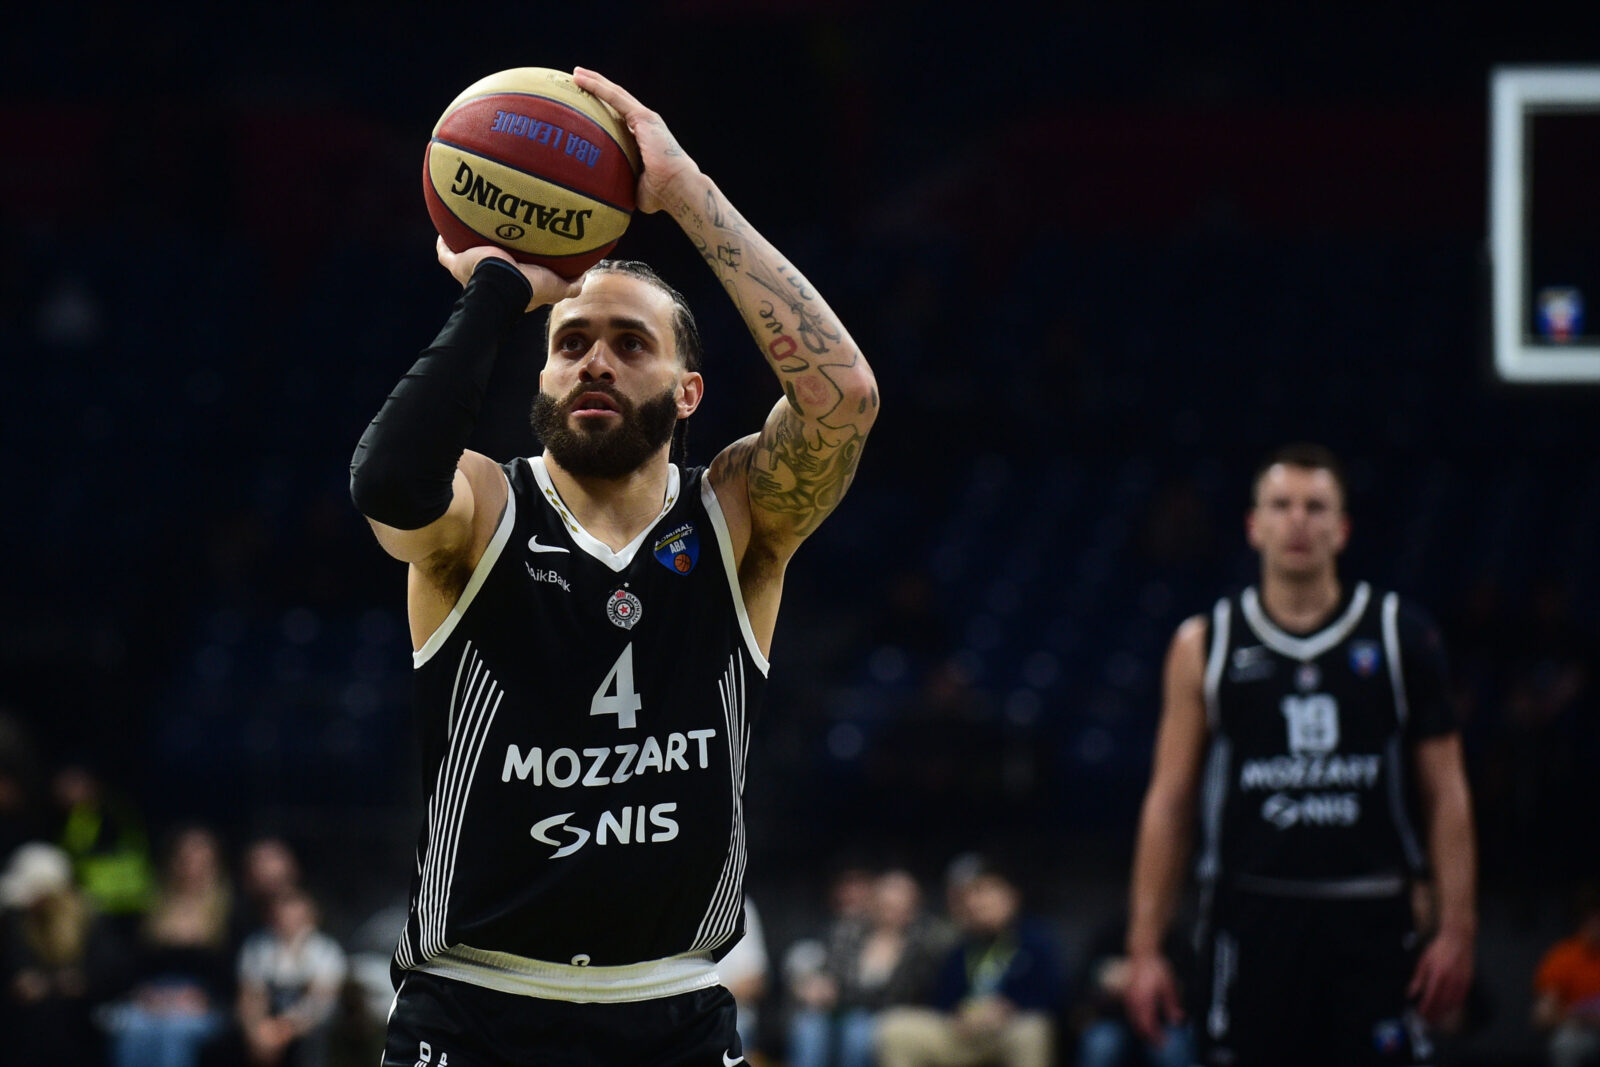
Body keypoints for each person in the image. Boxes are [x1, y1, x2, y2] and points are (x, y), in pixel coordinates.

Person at [348, 66, 879, 1066]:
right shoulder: (481, 508)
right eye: (571, 342)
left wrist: (684, 193)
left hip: (672, 1006)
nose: (593, 359)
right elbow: (388, 486)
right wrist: (497, 288)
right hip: (474, 1006)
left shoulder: (737, 515)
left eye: (629, 343)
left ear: (687, 392)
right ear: (539, 373)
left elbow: (842, 399)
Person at [1123, 443, 1477, 1067]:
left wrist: (1457, 927)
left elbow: (1447, 793)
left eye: (1316, 507)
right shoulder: (1206, 642)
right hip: (1251, 915)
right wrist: (1145, 947)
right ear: (1253, 526)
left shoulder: (1402, 635)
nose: (1298, 521)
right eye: (1281, 505)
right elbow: (1170, 801)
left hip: (1372, 916)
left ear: (1341, 530)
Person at [875, 863, 1060, 1067]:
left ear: (1012, 897)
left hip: (1008, 1030)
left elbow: (1055, 997)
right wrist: (959, 1013)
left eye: (990, 893)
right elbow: (939, 1000)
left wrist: (1008, 1007)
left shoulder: (1036, 941)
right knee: (895, 1026)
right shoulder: (962, 947)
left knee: (1032, 1029)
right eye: (976, 895)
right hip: (963, 1032)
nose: (981, 902)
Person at [788, 868, 944, 1067]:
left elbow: (903, 996)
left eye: (898, 907)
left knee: (857, 1029)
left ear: (912, 909)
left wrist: (842, 993)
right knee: (808, 1026)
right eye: (885, 905)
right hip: (836, 1011)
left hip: (884, 1017)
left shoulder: (923, 945)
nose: (890, 913)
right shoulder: (848, 932)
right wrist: (816, 985)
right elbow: (829, 973)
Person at [234, 888, 348, 1067]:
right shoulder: (257, 948)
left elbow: (320, 1003)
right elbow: (250, 997)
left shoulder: (326, 951)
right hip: (266, 1030)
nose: (286, 921)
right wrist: (256, 1032)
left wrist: (283, 1030)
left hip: (309, 1032)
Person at [1533, 890, 1600, 1067]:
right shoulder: (1564, 957)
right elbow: (1543, 1016)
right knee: (1566, 1043)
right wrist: (1584, 1018)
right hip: (1583, 1031)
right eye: (1593, 917)